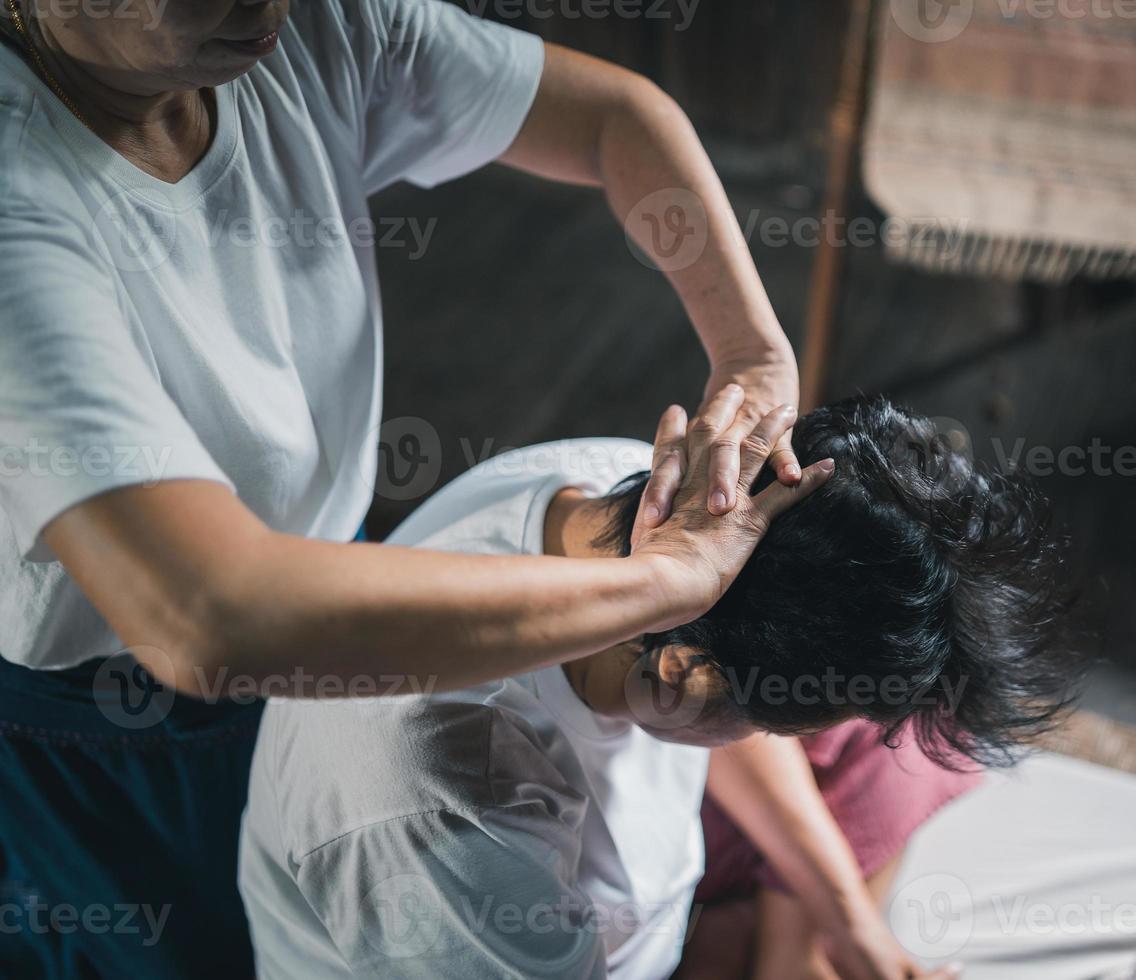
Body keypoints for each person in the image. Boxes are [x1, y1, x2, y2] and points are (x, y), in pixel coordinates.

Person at [0, 0, 828, 974]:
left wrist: (751, 351)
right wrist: (666, 585)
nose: (270, 12)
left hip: (323, 593)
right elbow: (203, 617)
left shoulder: (310, 28)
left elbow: (618, 119)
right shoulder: (23, 200)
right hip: (108, 726)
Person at [239, 396, 1081, 979]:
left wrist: (845, 920)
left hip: (630, 905)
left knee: (900, 745)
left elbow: (743, 678)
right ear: (683, 676)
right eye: (770, 725)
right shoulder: (442, 808)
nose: (776, 742)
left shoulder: (648, 500)